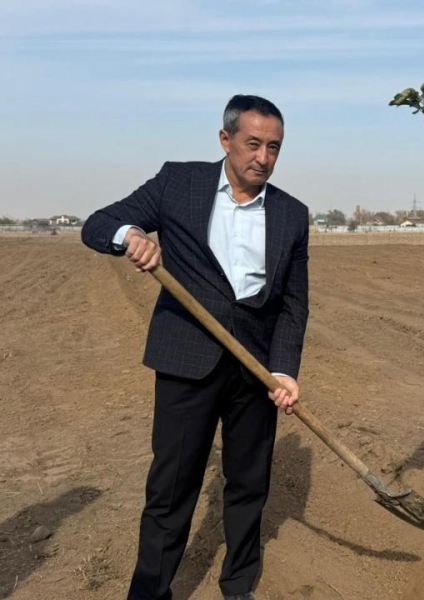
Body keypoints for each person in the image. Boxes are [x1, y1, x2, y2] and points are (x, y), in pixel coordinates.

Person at [82, 94, 310, 600]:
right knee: (171, 488)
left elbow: (294, 304)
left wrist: (285, 370)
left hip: (255, 370)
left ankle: (238, 585)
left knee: (249, 486)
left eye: (274, 147)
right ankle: (150, 592)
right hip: (187, 361)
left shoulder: (293, 214)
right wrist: (130, 235)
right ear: (225, 139)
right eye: (253, 144)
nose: (264, 158)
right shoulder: (177, 183)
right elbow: (96, 225)